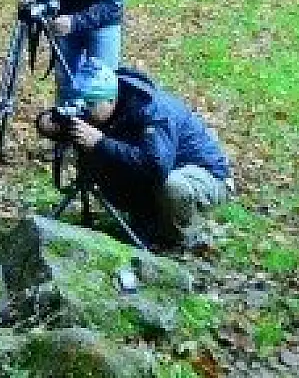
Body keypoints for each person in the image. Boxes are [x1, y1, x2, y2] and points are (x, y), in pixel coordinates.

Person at [36, 57, 233, 250]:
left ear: (111, 99)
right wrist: (48, 123)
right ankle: (147, 217)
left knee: (172, 186)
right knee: (110, 156)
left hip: (206, 175)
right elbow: (65, 121)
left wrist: (100, 142)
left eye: (90, 105)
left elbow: (155, 166)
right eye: (81, 105)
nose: (84, 113)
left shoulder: (152, 111)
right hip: (161, 166)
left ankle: (179, 234)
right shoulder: (102, 100)